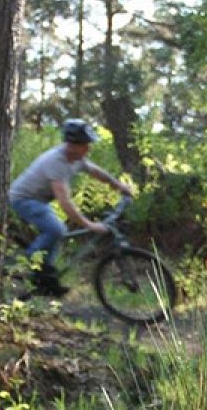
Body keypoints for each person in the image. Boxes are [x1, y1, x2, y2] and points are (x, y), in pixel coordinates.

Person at [8, 119, 135, 296]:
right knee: (57, 229)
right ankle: (26, 264)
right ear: (72, 145)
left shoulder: (76, 158)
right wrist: (90, 225)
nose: (89, 148)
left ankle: (45, 279)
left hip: (39, 200)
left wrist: (120, 186)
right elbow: (65, 203)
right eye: (85, 145)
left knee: (56, 234)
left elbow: (97, 172)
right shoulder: (56, 162)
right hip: (23, 199)